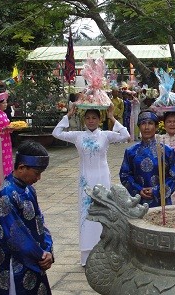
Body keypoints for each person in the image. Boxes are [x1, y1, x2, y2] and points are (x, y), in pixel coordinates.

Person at [52, 104, 130, 266]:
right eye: (87, 118)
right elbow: (56, 133)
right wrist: (68, 115)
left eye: (94, 118)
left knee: (105, 212)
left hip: (102, 178)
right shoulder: (78, 136)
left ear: (99, 119)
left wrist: (112, 117)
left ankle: (105, 251)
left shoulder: (106, 136)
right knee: (86, 213)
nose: (91, 121)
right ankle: (87, 254)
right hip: (85, 179)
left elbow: (125, 135)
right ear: (83, 120)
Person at [0, 140, 54, 294]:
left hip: (36, 258)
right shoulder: (4, 196)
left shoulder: (29, 190)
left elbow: (40, 222)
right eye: (37, 173)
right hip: (14, 263)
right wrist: (41, 255)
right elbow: (15, 236)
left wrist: (48, 248)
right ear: (21, 167)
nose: (38, 178)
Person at [120, 110, 175, 207]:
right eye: (143, 123)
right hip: (138, 201)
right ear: (139, 127)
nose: (146, 127)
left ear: (156, 127)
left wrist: (156, 190)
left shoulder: (167, 151)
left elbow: (174, 176)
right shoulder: (131, 151)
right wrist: (138, 189)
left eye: (150, 123)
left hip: (161, 201)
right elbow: (124, 175)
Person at [0, 92, 14, 188]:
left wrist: (11, 129)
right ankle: (0, 182)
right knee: (1, 160)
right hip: (0, 140)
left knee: (8, 160)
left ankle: (7, 180)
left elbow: (7, 126)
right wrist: (3, 129)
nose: (5, 105)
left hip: (7, 139)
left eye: (6, 103)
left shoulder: (4, 114)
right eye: (4, 103)